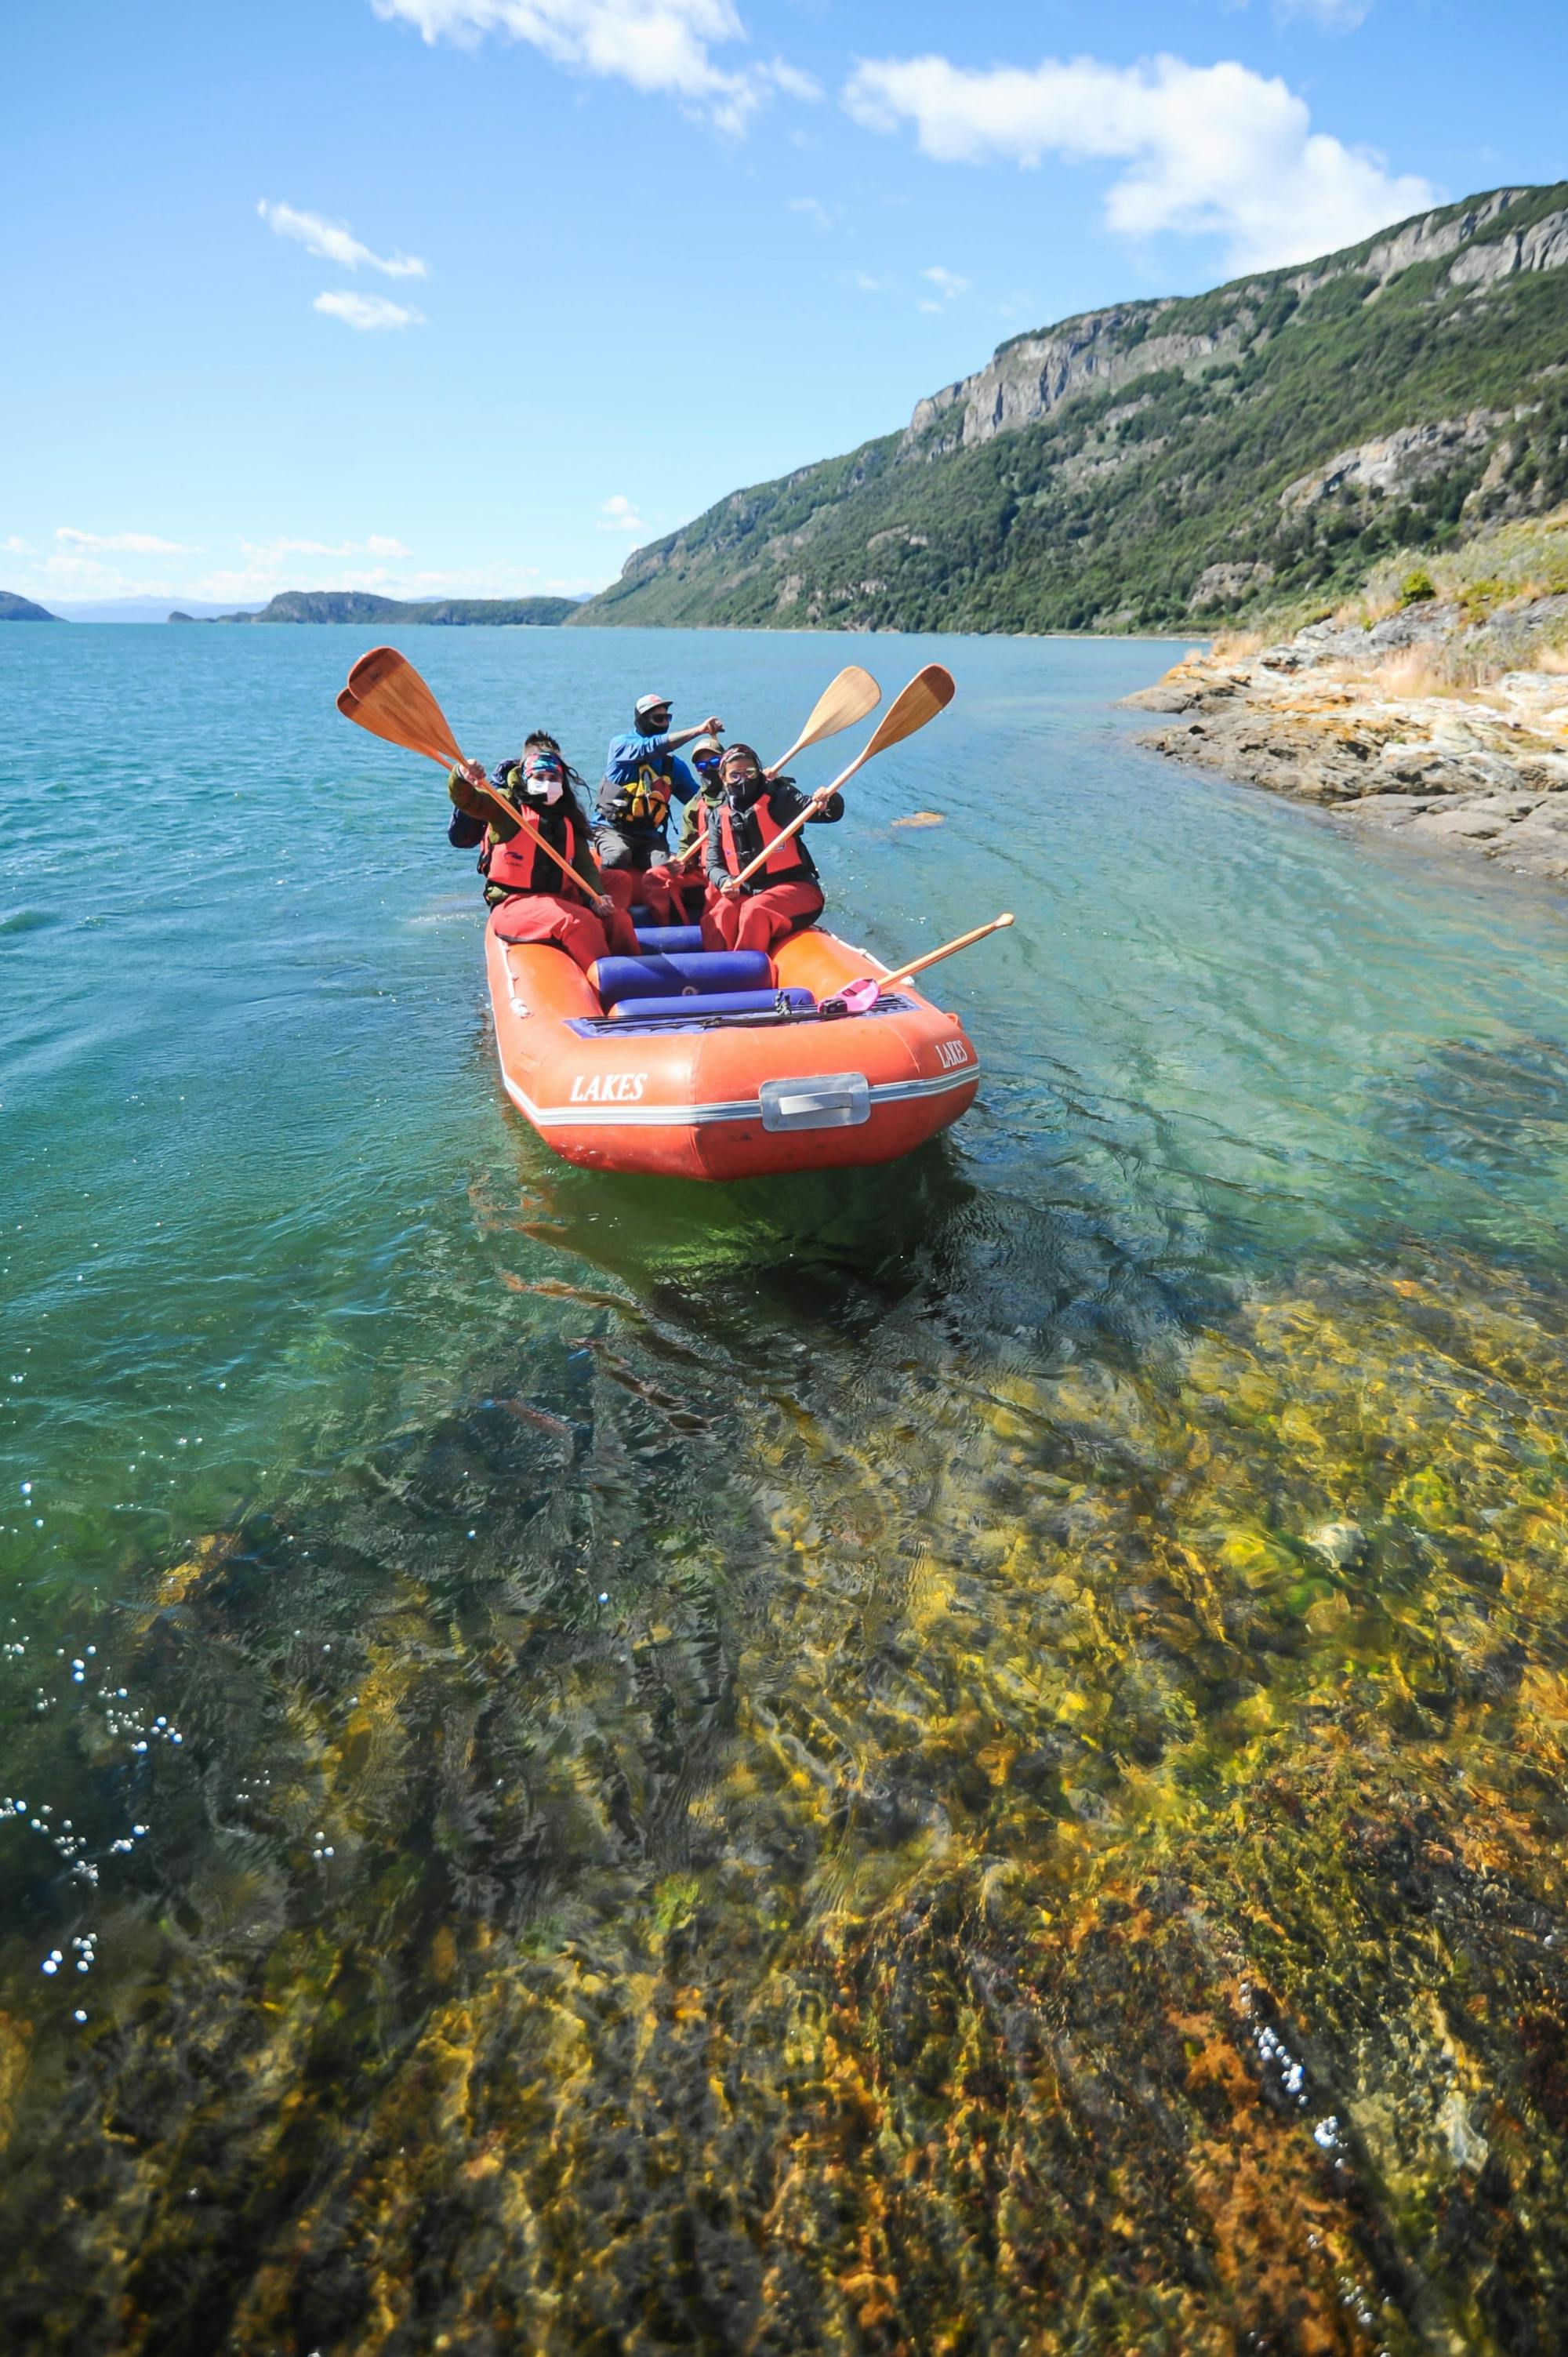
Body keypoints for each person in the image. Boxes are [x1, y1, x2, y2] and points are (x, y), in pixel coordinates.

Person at [448, 732, 640, 972]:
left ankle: (635, 975)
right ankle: (607, 980)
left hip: (558, 894)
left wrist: (596, 896)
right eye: (540, 777)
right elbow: (469, 801)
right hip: (515, 902)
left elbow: (582, 863)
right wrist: (461, 777)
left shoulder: (566, 813)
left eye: (553, 777)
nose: (547, 783)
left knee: (619, 906)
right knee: (578, 921)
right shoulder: (508, 808)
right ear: (527, 777)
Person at [702, 742, 844, 955]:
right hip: (749, 890)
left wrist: (829, 799)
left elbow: (828, 814)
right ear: (723, 779)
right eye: (735, 775)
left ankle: (748, 975)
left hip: (797, 889)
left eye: (749, 772)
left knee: (754, 910)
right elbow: (713, 865)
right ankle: (718, 974)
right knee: (722, 911)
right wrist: (724, 881)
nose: (743, 780)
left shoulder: (780, 799)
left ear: (758, 772)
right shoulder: (718, 816)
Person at [597, 693, 723, 881]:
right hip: (612, 829)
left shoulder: (674, 767)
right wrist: (698, 730)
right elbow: (650, 748)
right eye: (658, 719)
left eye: (667, 718)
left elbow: (700, 799)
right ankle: (600, 898)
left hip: (649, 836)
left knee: (667, 870)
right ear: (642, 720)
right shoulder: (621, 746)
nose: (664, 724)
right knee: (618, 855)